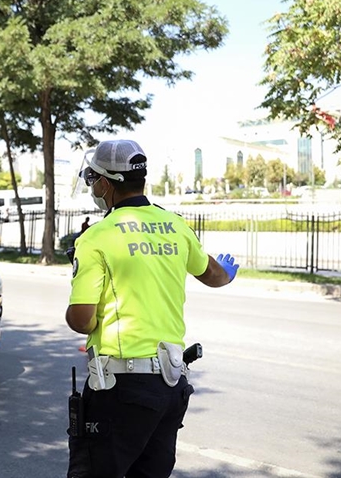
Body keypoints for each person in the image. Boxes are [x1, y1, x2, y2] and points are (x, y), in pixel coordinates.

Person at [65, 139, 238, 478]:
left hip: (120, 390)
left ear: (105, 183)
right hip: (170, 387)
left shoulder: (97, 237)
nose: (92, 187)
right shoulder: (175, 226)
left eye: (91, 179)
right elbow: (214, 275)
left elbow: (82, 319)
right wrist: (228, 274)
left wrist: (86, 315)